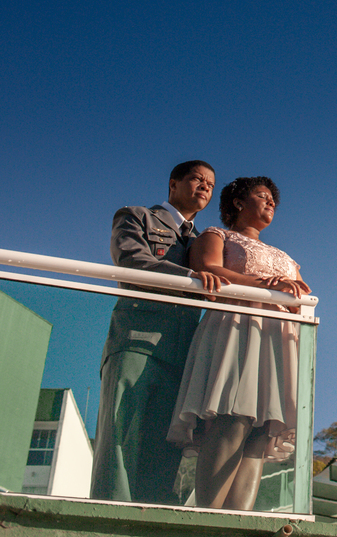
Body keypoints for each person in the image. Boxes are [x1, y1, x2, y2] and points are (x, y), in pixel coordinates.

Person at [168, 176, 310, 510]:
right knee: (232, 418)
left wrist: (291, 298)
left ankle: (239, 522)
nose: (271, 202)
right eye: (262, 195)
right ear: (238, 202)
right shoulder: (217, 235)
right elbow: (207, 268)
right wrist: (266, 285)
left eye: (273, 200)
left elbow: (303, 297)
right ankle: (209, 519)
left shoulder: (286, 256)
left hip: (278, 339)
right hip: (236, 328)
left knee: (261, 431)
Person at [91, 160, 218, 503]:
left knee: (166, 442)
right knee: (120, 432)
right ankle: (112, 513)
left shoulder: (204, 241)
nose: (205, 187)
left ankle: (152, 515)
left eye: (210, 184)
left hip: (183, 352)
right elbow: (131, 260)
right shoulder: (137, 217)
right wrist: (191, 279)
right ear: (173, 183)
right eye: (197, 179)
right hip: (137, 338)